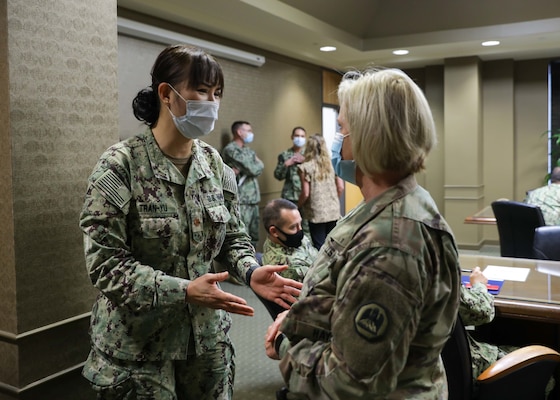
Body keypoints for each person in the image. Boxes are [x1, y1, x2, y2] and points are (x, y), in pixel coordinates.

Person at [79, 44, 302, 400]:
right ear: (166, 94)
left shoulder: (215, 167)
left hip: (206, 340)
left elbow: (233, 237)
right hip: (139, 348)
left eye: (217, 94)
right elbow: (105, 265)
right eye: (201, 91)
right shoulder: (120, 166)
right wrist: (181, 289)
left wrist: (249, 269)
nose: (211, 103)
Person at [264, 68, 461, 399]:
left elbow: (348, 384)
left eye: (342, 128)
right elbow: (346, 298)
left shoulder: (390, 244)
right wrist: (297, 320)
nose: (337, 140)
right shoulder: (390, 204)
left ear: (369, 136)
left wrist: (286, 345)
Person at [222, 121, 264, 248]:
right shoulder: (231, 150)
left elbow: (259, 167)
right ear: (240, 132)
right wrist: (257, 164)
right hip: (242, 199)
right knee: (242, 236)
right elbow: (253, 168)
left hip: (253, 199)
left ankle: (255, 264)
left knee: (254, 236)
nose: (251, 133)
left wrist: (257, 165)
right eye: (248, 130)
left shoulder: (248, 150)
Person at [297, 134, 343, 249]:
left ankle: (323, 267)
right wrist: (331, 201)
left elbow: (306, 193)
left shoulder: (305, 167)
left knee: (320, 246)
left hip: (316, 212)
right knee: (332, 244)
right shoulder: (332, 165)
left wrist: (297, 206)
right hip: (333, 210)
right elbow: (341, 187)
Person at [262, 198, 318, 282]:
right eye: (293, 227)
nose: (300, 229)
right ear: (274, 231)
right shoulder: (290, 268)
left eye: (300, 223)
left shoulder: (280, 240)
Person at [274, 126, 309, 236]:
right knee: (289, 227)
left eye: (302, 136)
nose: (299, 138)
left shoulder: (309, 155)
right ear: (292, 137)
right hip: (290, 196)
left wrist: (305, 162)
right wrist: (286, 164)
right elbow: (278, 175)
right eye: (297, 136)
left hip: (307, 196)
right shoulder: (284, 155)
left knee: (306, 229)